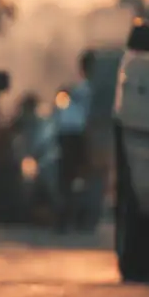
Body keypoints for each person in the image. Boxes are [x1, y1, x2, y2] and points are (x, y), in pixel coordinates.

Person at [52, 51, 95, 233]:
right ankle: (72, 217)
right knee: (74, 177)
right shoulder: (82, 90)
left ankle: (74, 217)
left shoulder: (84, 90)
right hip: (75, 136)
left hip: (74, 135)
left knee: (71, 178)